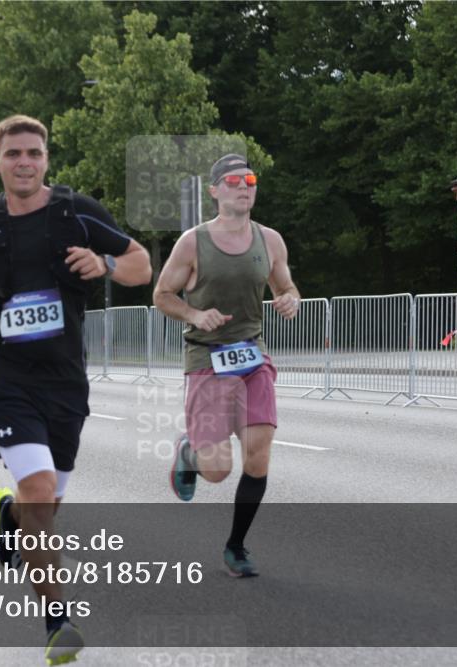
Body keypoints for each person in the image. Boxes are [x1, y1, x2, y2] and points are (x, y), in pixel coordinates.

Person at [0, 114, 151, 665]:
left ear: (46, 160)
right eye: (13, 154)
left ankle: (10, 514)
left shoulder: (76, 214)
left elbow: (141, 265)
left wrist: (104, 262)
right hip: (7, 379)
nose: (24, 163)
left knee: (46, 505)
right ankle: (58, 622)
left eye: (33, 153)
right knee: (40, 489)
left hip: (66, 380)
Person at [153, 153, 300, 578]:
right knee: (217, 470)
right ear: (215, 190)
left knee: (258, 457)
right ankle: (190, 451)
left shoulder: (269, 240)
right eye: (234, 180)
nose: (244, 185)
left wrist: (290, 298)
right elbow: (162, 294)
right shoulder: (192, 242)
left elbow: (286, 284)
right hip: (206, 358)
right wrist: (196, 315)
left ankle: (236, 546)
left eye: (250, 179)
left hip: (252, 356)